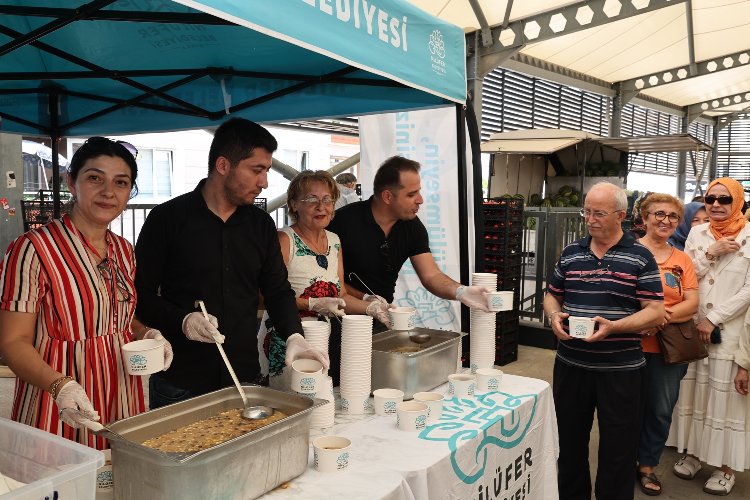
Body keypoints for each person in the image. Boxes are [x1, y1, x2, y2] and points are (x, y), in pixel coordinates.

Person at [135, 118, 327, 408]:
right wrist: (183, 319)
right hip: (180, 380)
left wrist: (294, 334)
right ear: (223, 166)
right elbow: (140, 296)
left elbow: (276, 289)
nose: (264, 182)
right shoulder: (168, 219)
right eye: (257, 170)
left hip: (243, 376)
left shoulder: (260, 225)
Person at [0, 137, 172, 449]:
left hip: (121, 393)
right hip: (59, 401)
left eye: (121, 182)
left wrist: (146, 333)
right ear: (71, 182)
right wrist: (59, 385)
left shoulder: (123, 250)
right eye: (95, 178)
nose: (108, 192)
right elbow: (12, 341)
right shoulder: (32, 249)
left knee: (117, 481)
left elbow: (117, 314)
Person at [543, 181, 665, 500]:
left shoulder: (640, 257)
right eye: (587, 212)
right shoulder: (572, 253)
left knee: (618, 451)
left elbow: (654, 311)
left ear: (621, 215)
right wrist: (554, 315)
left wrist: (614, 327)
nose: (590, 219)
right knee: (568, 445)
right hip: (571, 365)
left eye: (599, 213)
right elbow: (552, 295)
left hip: (622, 369)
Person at [258, 170, 390, 385]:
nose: (321, 207)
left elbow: (341, 295)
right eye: (312, 199)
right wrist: (311, 303)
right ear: (293, 205)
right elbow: (264, 296)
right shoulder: (284, 239)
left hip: (324, 336)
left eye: (327, 199)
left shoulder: (334, 240)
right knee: (293, 399)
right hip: (287, 337)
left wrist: (371, 307)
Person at [327, 156, 492, 321]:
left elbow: (431, 275)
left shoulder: (412, 226)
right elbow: (326, 279)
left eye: (419, 191)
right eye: (412, 194)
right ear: (387, 197)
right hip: (337, 318)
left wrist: (461, 292)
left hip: (381, 318)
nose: (420, 200)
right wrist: (366, 300)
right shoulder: (342, 222)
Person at [668, 177, 750, 496]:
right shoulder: (698, 233)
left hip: (729, 334)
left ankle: (726, 467)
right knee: (695, 396)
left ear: (739, 201)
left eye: (724, 199)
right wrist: (711, 253)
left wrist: (714, 317)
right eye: (710, 198)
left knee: (726, 401)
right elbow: (684, 276)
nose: (715, 204)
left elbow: (748, 290)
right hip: (695, 332)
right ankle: (694, 453)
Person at [634, 194, 699, 496]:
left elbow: (692, 302)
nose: (666, 220)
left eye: (673, 216)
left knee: (660, 410)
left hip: (668, 349)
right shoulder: (629, 252)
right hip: (629, 345)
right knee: (624, 407)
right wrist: (643, 319)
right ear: (644, 217)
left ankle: (647, 465)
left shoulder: (682, 259)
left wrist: (660, 316)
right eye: (659, 214)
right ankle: (622, 460)